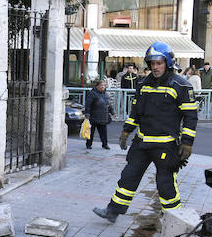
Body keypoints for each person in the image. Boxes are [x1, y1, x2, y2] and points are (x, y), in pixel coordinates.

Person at [92, 42, 198, 223]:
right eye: (152, 63)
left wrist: (187, 142)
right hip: (142, 143)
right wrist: (126, 131)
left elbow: (190, 117)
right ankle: (112, 211)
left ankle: (174, 221)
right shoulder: (143, 84)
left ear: (168, 62)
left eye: (159, 63)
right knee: (128, 177)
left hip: (166, 145)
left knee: (165, 184)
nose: (155, 67)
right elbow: (135, 112)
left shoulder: (181, 86)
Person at [84, 79, 114, 150]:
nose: (103, 86)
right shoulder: (92, 93)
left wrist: (112, 112)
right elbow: (88, 104)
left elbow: (109, 104)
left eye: (104, 85)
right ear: (97, 86)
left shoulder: (105, 94)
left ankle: (105, 144)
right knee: (91, 132)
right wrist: (87, 114)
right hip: (93, 116)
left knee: (103, 132)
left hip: (103, 116)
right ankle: (88, 144)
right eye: (101, 85)